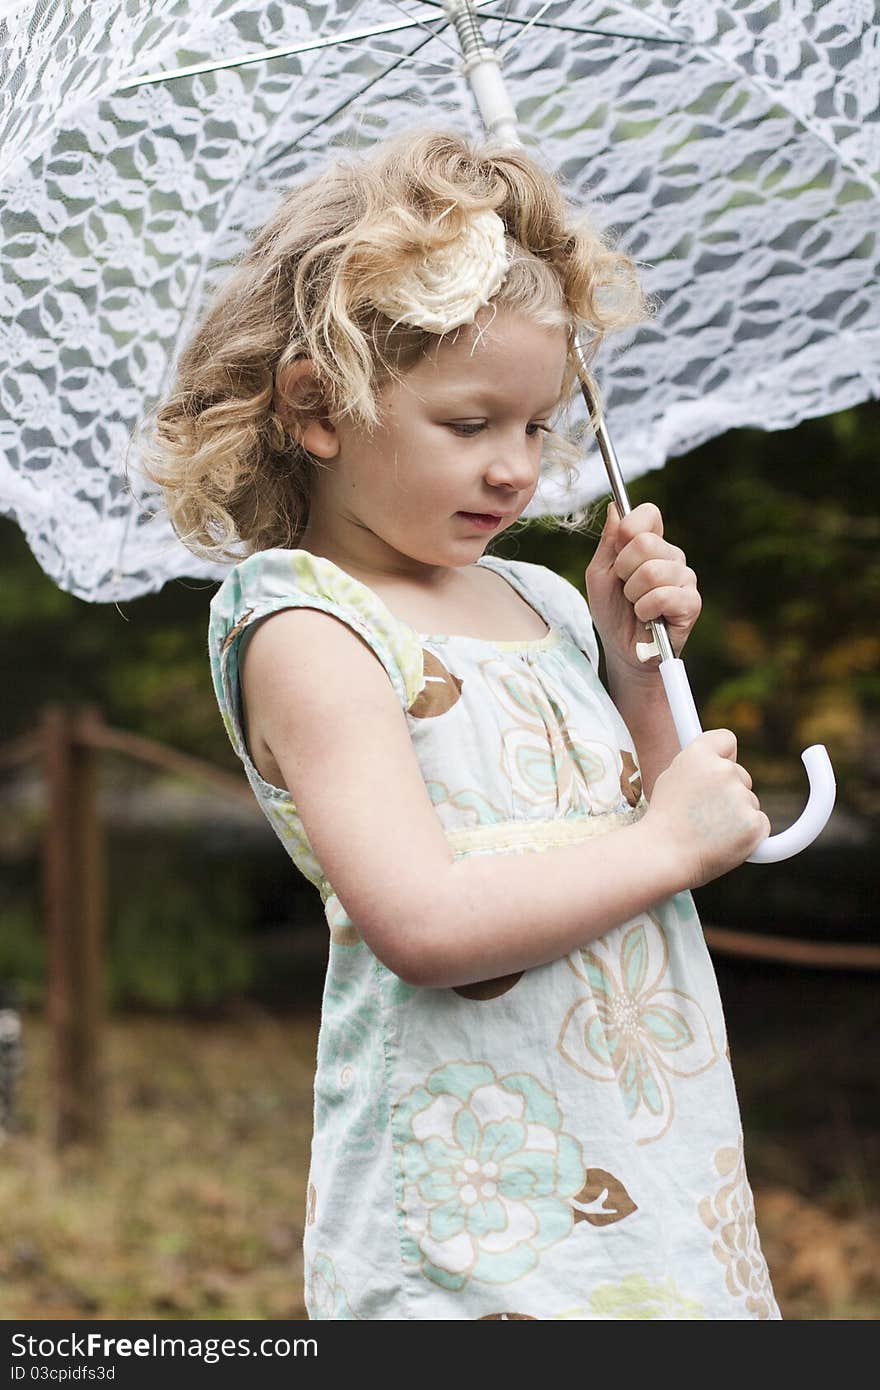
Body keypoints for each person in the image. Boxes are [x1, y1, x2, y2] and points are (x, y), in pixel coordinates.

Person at [140, 127, 779, 1320]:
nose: (515, 470)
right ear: (320, 406)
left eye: (536, 427)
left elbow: (646, 841)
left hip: (650, 1157)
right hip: (478, 1212)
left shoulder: (539, 599)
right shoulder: (309, 629)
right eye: (469, 423)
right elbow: (426, 925)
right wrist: (664, 845)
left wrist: (642, 672)